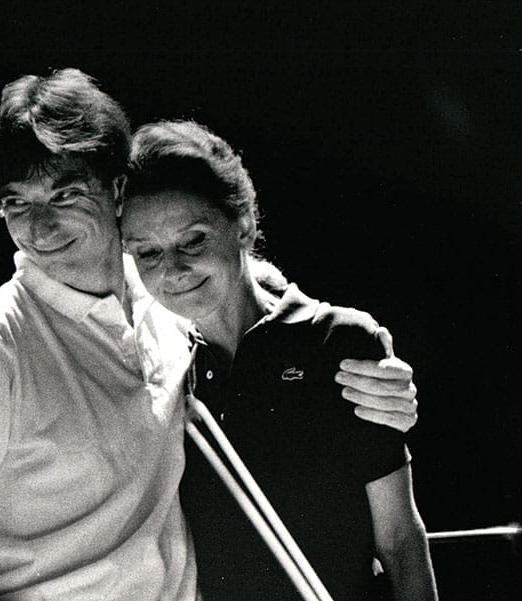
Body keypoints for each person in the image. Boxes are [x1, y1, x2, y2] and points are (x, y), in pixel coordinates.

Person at [0, 69, 420, 601]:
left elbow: (242, 285)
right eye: (16, 204)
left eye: (65, 195)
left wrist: (371, 368)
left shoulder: (164, 304)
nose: (41, 228)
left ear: (116, 189)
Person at [120, 119, 438, 601]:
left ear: (243, 227)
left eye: (194, 241)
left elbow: (399, 539)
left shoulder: (337, 340)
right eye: (148, 253)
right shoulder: (166, 364)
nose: (174, 270)